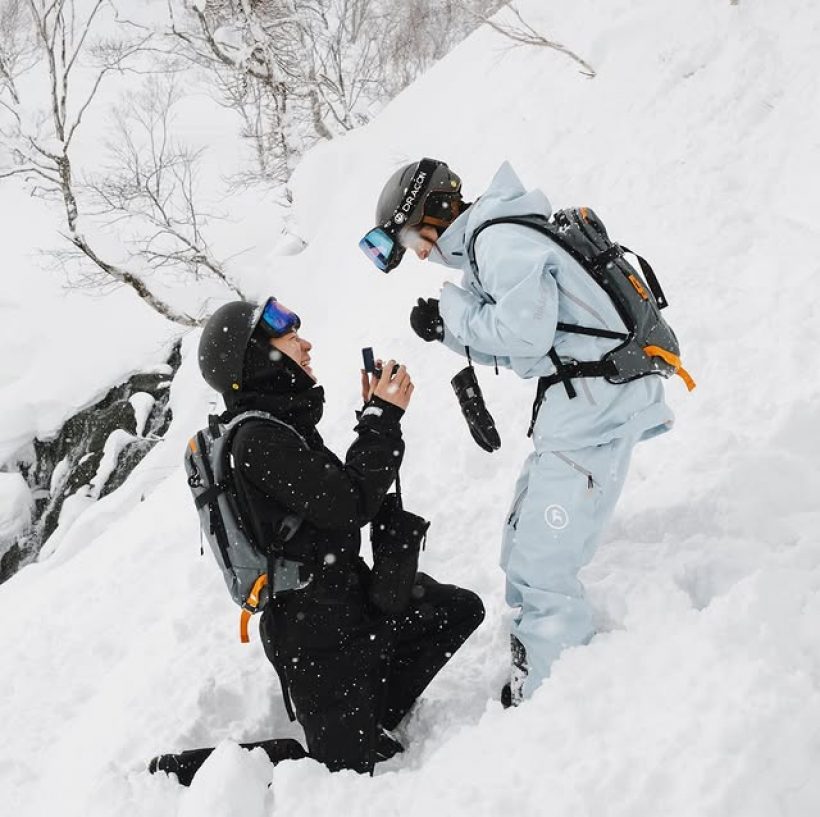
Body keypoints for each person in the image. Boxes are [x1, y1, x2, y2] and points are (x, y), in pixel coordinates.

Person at [360, 159, 676, 706]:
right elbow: (527, 347)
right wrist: (448, 331)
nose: (419, 254)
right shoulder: (493, 242)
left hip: (592, 407)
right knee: (521, 543)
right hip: (582, 407)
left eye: (412, 238)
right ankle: (549, 665)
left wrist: (453, 313)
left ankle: (554, 696)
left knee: (542, 563)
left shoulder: (498, 240)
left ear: (435, 210)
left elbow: (524, 336)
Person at [151, 297, 484, 782]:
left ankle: (369, 718)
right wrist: (381, 420)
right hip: (317, 639)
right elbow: (350, 503)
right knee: (338, 773)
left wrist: (374, 418)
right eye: (291, 340)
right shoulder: (258, 441)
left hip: (351, 607)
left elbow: (338, 498)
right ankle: (176, 773)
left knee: (458, 610)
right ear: (257, 360)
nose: (306, 345)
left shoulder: (281, 427)